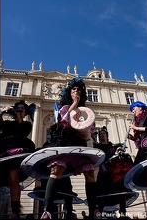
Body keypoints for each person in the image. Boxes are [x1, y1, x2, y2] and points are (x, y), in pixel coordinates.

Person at [39, 77, 98, 219]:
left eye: (78, 90)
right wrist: (75, 103)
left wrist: (88, 131)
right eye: (73, 89)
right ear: (69, 92)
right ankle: (47, 210)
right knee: (56, 169)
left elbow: (87, 133)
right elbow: (63, 121)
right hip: (63, 144)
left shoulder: (85, 111)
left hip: (78, 146)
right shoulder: (64, 107)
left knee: (90, 172)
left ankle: (93, 211)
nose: (76, 91)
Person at [0, 100, 36, 219]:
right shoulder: (8, 124)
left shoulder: (27, 124)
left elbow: (23, 131)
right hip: (4, 152)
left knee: (13, 179)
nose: (20, 110)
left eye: (22, 109)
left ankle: (15, 211)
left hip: (17, 154)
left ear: (26, 113)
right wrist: (1, 112)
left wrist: (20, 118)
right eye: (18, 108)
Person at [94, 126, 134, 217]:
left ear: (107, 135)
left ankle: (123, 212)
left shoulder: (112, 146)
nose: (102, 135)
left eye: (103, 133)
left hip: (114, 172)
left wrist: (120, 148)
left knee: (120, 190)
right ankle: (99, 213)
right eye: (100, 134)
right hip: (104, 171)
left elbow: (118, 152)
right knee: (102, 192)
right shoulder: (98, 146)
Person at [128, 101, 147, 205]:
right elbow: (141, 138)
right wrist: (133, 138)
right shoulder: (138, 122)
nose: (133, 111)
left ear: (141, 108)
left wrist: (136, 128)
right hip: (144, 150)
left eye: (134, 108)